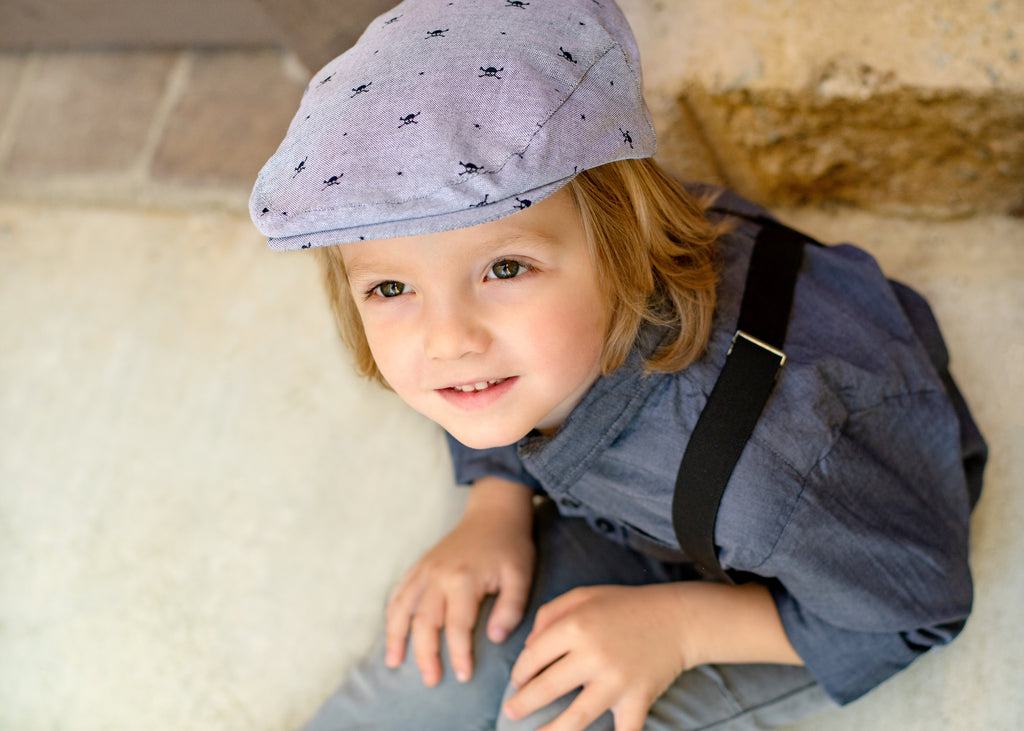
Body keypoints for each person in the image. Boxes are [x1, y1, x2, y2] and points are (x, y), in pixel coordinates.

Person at [250, 1, 981, 729]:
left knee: (553, 719)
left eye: (505, 267)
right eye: (391, 287)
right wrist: (495, 503)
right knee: (425, 670)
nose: (447, 341)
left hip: (799, 574)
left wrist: (682, 627)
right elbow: (481, 377)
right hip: (650, 506)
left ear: (625, 244)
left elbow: (916, 601)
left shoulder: (775, 472)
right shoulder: (524, 352)